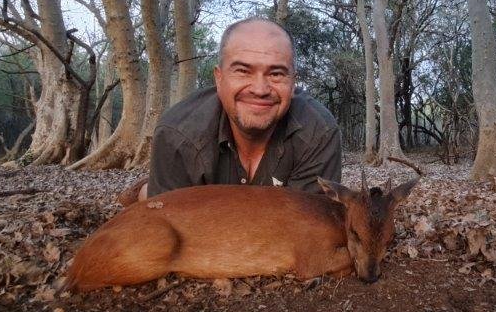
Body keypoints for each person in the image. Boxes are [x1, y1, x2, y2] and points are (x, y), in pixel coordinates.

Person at [133, 17, 341, 202]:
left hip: (236, 228)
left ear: (293, 82)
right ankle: (147, 191)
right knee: (156, 204)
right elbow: (171, 227)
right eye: (243, 71)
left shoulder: (318, 131)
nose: (260, 89)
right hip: (204, 228)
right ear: (219, 78)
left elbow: (306, 232)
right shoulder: (177, 133)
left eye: (276, 74)